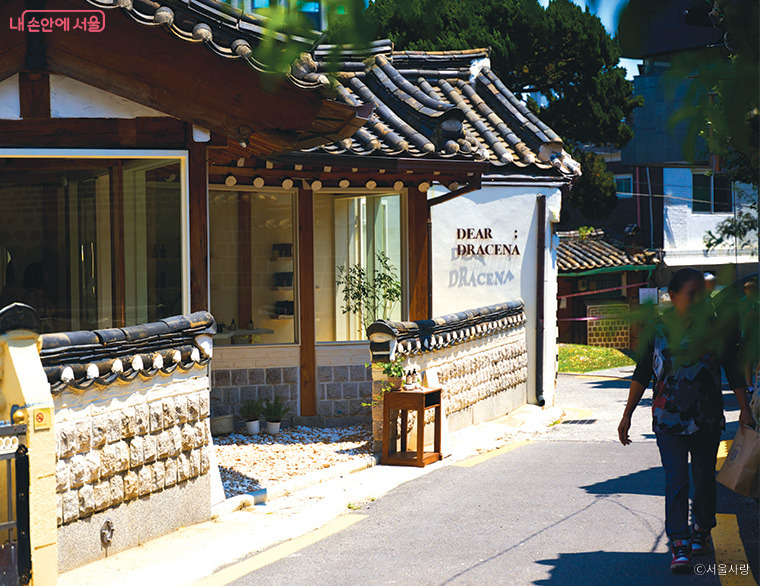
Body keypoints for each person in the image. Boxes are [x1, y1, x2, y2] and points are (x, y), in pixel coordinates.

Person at [617, 268, 753, 574]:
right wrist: (627, 415)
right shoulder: (657, 330)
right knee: (676, 480)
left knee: (703, 479)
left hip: (706, 420)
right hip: (668, 422)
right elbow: (642, 372)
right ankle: (679, 542)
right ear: (673, 296)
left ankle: (702, 529)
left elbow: (732, 369)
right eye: (691, 294)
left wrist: (744, 409)